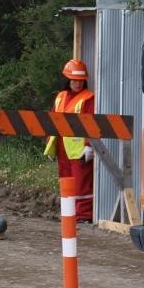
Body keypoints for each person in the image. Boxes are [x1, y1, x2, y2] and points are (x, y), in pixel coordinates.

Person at [44, 58, 95, 222]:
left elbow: (92, 123)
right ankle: (68, 213)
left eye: (80, 81)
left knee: (81, 183)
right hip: (61, 147)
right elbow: (53, 119)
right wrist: (48, 141)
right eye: (74, 80)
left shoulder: (88, 98)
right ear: (68, 80)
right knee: (65, 181)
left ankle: (83, 215)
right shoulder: (60, 96)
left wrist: (89, 145)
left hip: (79, 150)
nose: (77, 84)